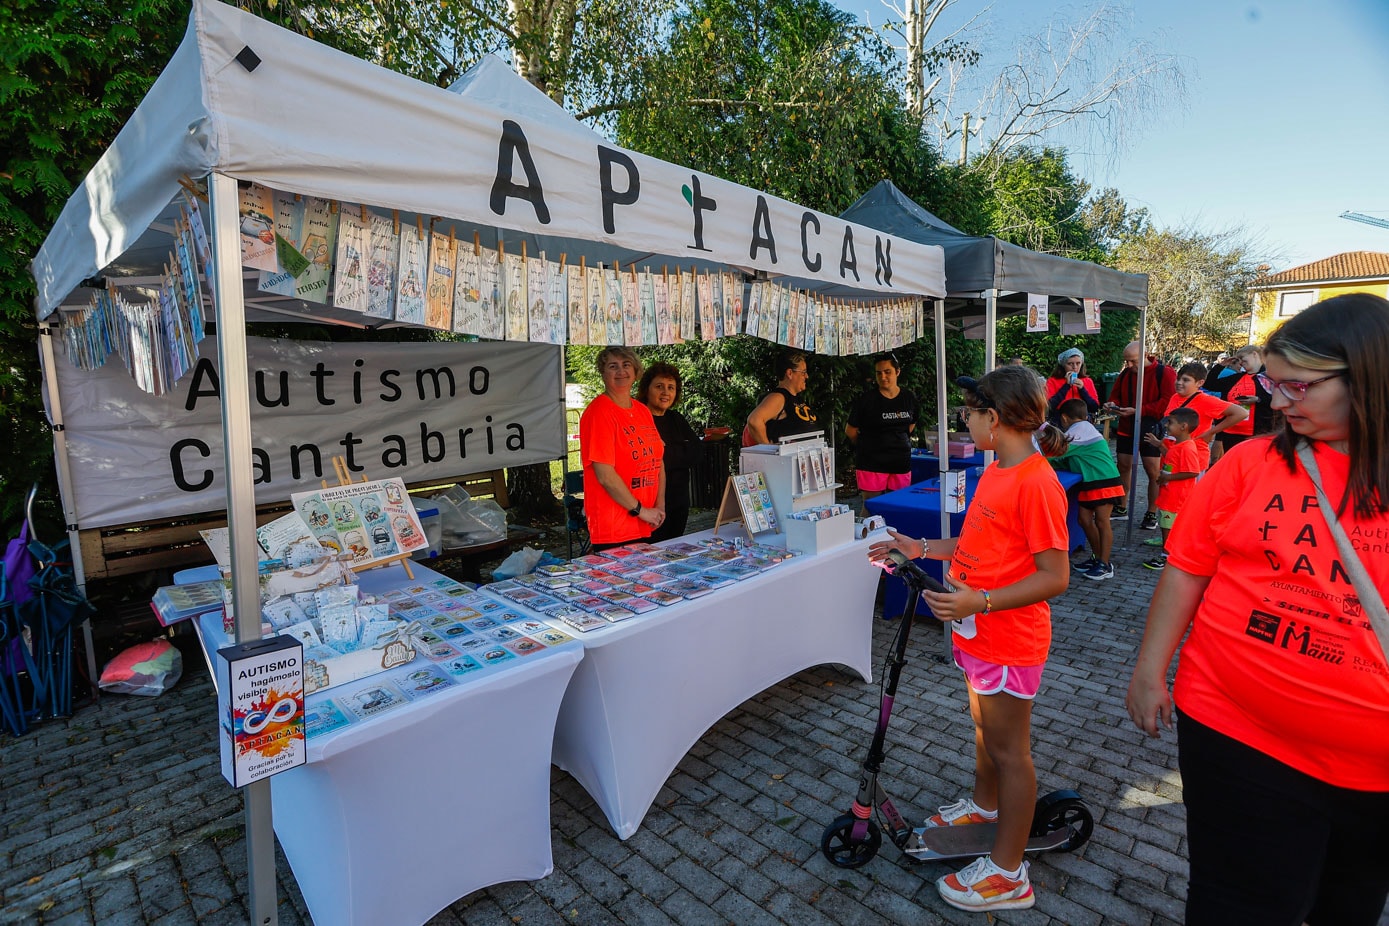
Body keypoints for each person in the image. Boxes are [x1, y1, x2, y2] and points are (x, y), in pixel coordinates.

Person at [1125, 293, 1389, 925]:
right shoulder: (1251, 463)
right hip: (1234, 730)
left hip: (1375, 767)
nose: (1277, 401)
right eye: (1274, 383)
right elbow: (1189, 566)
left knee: (1347, 908)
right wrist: (1148, 670)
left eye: (1298, 387)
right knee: (1238, 907)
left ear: (1369, 377)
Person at [868, 365, 1070, 913]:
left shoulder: (1035, 480)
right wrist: (922, 547)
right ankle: (983, 810)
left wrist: (977, 601)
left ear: (995, 418)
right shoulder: (1000, 469)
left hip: (1008, 638)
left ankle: (1009, 874)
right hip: (977, 632)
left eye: (970, 412)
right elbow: (980, 540)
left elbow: (1055, 575)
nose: (964, 421)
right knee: (985, 733)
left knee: (1011, 752)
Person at [579, 347, 666, 550]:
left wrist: (659, 505)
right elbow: (605, 476)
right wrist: (641, 510)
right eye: (613, 366)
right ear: (603, 373)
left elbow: (657, 460)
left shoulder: (642, 410)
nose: (621, 371)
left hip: (646, 521)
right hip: (615, 527)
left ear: (635, 371)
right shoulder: (599, 413)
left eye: (626, 365)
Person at [1047, 398, 1124, 580]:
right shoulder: (1085, 429)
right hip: (1092, 481)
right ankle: (1097, 558)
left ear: (1064, 418)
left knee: (1102, 522)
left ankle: (1105, 565)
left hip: (1104, 480)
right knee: (1084, 520)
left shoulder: (1077, 432)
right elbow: (1068, 457)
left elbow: (1057, 452)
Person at [1105, 342, 1176, 526]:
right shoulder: (1125, 374)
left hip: (1151, 426)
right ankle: (1121, 506)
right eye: (1126, 361)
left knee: (1152, 470)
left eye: (1132, 361)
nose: (1129, 365)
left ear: (1145, 355)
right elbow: (1115, 394)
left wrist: (1138, 410)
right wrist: (1112, 404)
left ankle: (1152, 511)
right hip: (1127, 425)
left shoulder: (1164, 373)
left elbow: (1167, 402)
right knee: (1123, 465)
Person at [1143, 362, 1247, 479]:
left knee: (1188, 495)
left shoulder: (1206, 401)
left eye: (1186, 380)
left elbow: (1241, 413)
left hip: (1192, 460)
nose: (1179, 383)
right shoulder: (1175, 397)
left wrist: (1211, 432)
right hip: (1171, 456)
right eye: (1178, 378)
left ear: (1200, 383)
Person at [637, 363, 699, 542]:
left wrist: (665, 452)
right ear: (646, 389)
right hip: (649, 506)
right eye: (659, 386)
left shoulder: (676, 419)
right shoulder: (639, 419)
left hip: (679, 501)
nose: (665, 392)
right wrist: (678, 451)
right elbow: (644, 460)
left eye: (671, 387)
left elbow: (697, 452)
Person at [846, 354, 920, 499]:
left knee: (898, 506)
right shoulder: (867, 399)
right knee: (871, 508)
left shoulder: (909, 397)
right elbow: (850, 430)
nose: (883, 377)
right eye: (879, 373)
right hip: (871, 463)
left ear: (897, 372)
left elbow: (911, 425)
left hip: (900, 462)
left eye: (887, 372)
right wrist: (866, 445)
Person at [1139, 407, 1203, 570]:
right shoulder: (1178, 445)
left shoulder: (1187, 448)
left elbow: (1192, 471)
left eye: (1171, 423)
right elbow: (1172, 459)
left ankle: (1166, 556)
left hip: (1176, 496)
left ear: (1183, 427)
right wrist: (1159, 446)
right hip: (1169, 494)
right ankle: (1171, 551)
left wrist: (1168, 477)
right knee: (1167, 525)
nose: (1166, 425)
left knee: (1168, 526)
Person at [744, 350, 818, 445]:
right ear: (790, 373)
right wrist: (768, 449)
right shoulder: (778, 397)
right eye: (803, 372)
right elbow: (754, 421)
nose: (806, 376)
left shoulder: (795, 397)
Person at [1044, 348, 1099, 424]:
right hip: (1059, 420)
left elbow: (1094, 407)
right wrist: (1066, 386)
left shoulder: (1087, 381)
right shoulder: (1052, 381)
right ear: (1063, 365)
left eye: (1078, 363)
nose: (1075, 367)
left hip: (1082, 421)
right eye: (1070, 364)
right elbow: (1049, 407)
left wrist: (1082, 390)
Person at [1233, 344, 1277, 435]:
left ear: (1254, 354)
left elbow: (1277, 397)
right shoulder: (1239, 376)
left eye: (1242, 358)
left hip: (1263, 426)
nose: (1240, 362)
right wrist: (1221, 365)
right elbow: (1212, 384)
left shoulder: (1270, 375)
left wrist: (1258, 399)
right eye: (1238, 360)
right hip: (1238, 429)